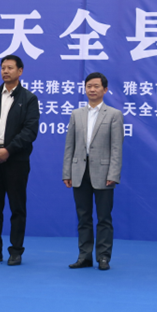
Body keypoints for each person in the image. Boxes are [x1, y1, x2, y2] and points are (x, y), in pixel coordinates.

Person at [0, 54, 39, 266]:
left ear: (20, 71)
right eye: (3, 67)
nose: (5, 71)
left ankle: (16, 251)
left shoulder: (29, 99)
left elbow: (30, 131)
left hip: (16, 161)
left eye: (10, 67)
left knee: (17, 207)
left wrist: (8, 150)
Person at [62, 72, 123, 271]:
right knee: (83, 217)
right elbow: (69, 146)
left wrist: (113, 174)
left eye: (96, 86)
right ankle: (84, 256)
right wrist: (67, 172)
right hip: (79, 172)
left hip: (104, 174)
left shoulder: (114, 114)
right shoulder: (76, 114)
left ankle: (103, 257)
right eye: (89, 86)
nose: (92, 89)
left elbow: (116, 148)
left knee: (104, 218)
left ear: (105, 90)